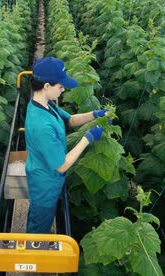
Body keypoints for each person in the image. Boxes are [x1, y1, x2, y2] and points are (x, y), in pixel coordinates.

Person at [25, 57, 108, 234]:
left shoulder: (46, 104)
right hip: (45, 182)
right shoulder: (41, 125)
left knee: (38, 215)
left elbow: (70, 120)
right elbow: (61, 166)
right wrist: (87, 138)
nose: (63, 89)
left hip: (44, 171)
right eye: (60, 86)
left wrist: (95, 114)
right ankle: (34, 254)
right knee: (40, 223)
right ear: (47, 86)